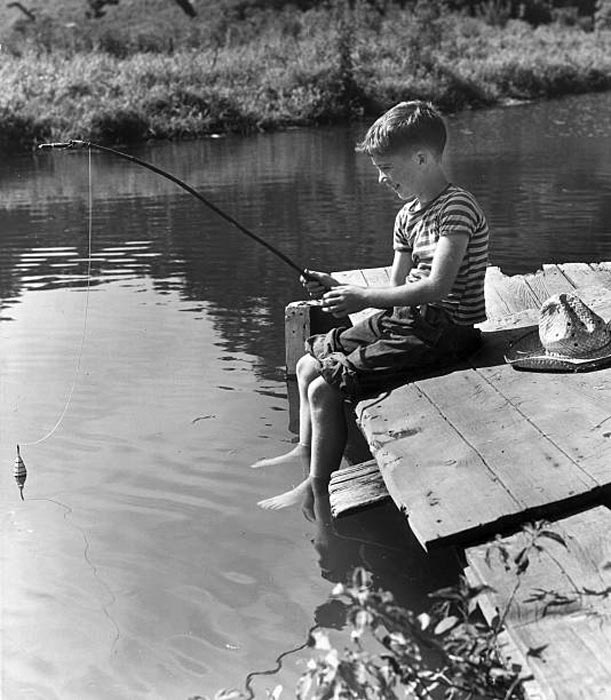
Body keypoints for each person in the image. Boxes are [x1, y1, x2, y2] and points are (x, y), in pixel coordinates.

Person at [253, 100, 489, 519]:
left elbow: (437, 287)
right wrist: (338, 286)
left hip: (449, 328)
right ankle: (305, 450)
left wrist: (361, 300)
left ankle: (316, 486)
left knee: (325, 386)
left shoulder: (457, 208)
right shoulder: (407, 216)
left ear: (421, 157)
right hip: (410, 319)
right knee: (310, 363)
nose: (381, 178)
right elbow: (397, 288)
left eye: (388, 167)